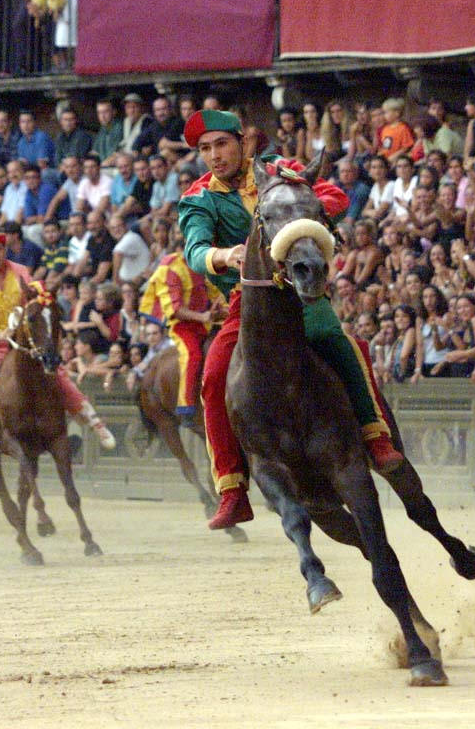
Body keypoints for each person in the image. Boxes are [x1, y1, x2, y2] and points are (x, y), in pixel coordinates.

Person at [178, 109, 402, 530]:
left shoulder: (282, 172)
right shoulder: (197, 198)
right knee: (211, 378)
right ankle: (231, 488)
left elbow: (335, 196)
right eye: (205, 149)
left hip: (302, 292)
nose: (214, 156)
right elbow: (195, 251)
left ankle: (376, 435)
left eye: (221, 144)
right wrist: (224, 255)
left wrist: (304, 219)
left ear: (242, 142)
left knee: (341, 342)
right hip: (249, 304)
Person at [0, 230, 114, 468]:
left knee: (57, 374)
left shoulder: (20, 271)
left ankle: (94, 422)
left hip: (23, 342)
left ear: (5, 250)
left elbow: (37, 298)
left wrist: (41, 296)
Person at [138, 249, 225, 427]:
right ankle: (186, 406)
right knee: (192, 355)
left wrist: (222, 309)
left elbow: (215, 295)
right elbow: (175, 310)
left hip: (207, 323)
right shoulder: (172, 268)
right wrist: (203, 317)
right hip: (183, 327)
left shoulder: (206, 266)